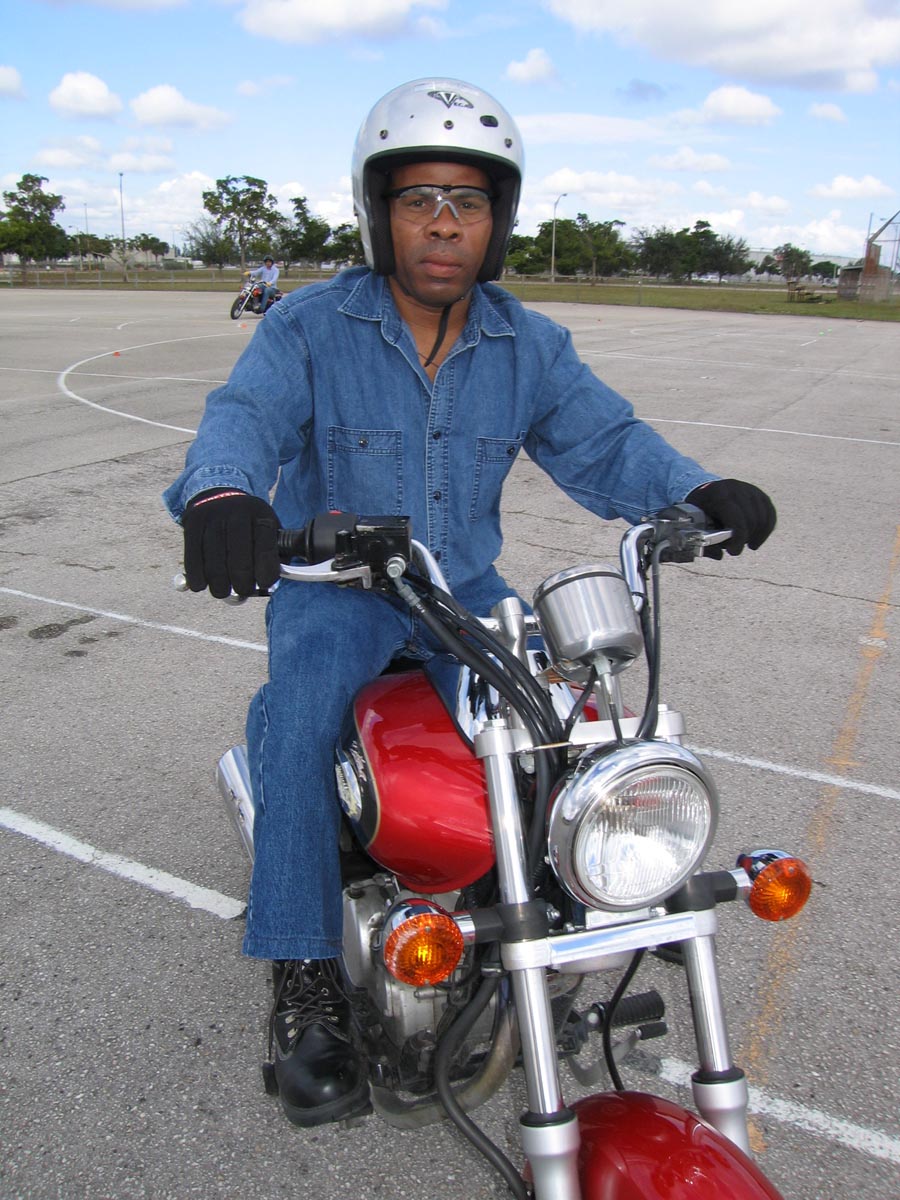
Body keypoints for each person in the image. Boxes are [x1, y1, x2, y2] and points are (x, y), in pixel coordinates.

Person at [164, 77, 776, 1130]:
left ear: (499, 222)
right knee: (301, 717)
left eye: (469, 201)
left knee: (566, 720)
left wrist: (695, 490)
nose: (443, 223)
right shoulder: (309, 327)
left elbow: (604, 440)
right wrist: (222, 496)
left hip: (467, 592)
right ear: (379, 213)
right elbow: (242, 419)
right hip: (340, 591)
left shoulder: (526, 344)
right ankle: (304, 978)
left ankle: (569, 898)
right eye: (418, 199)